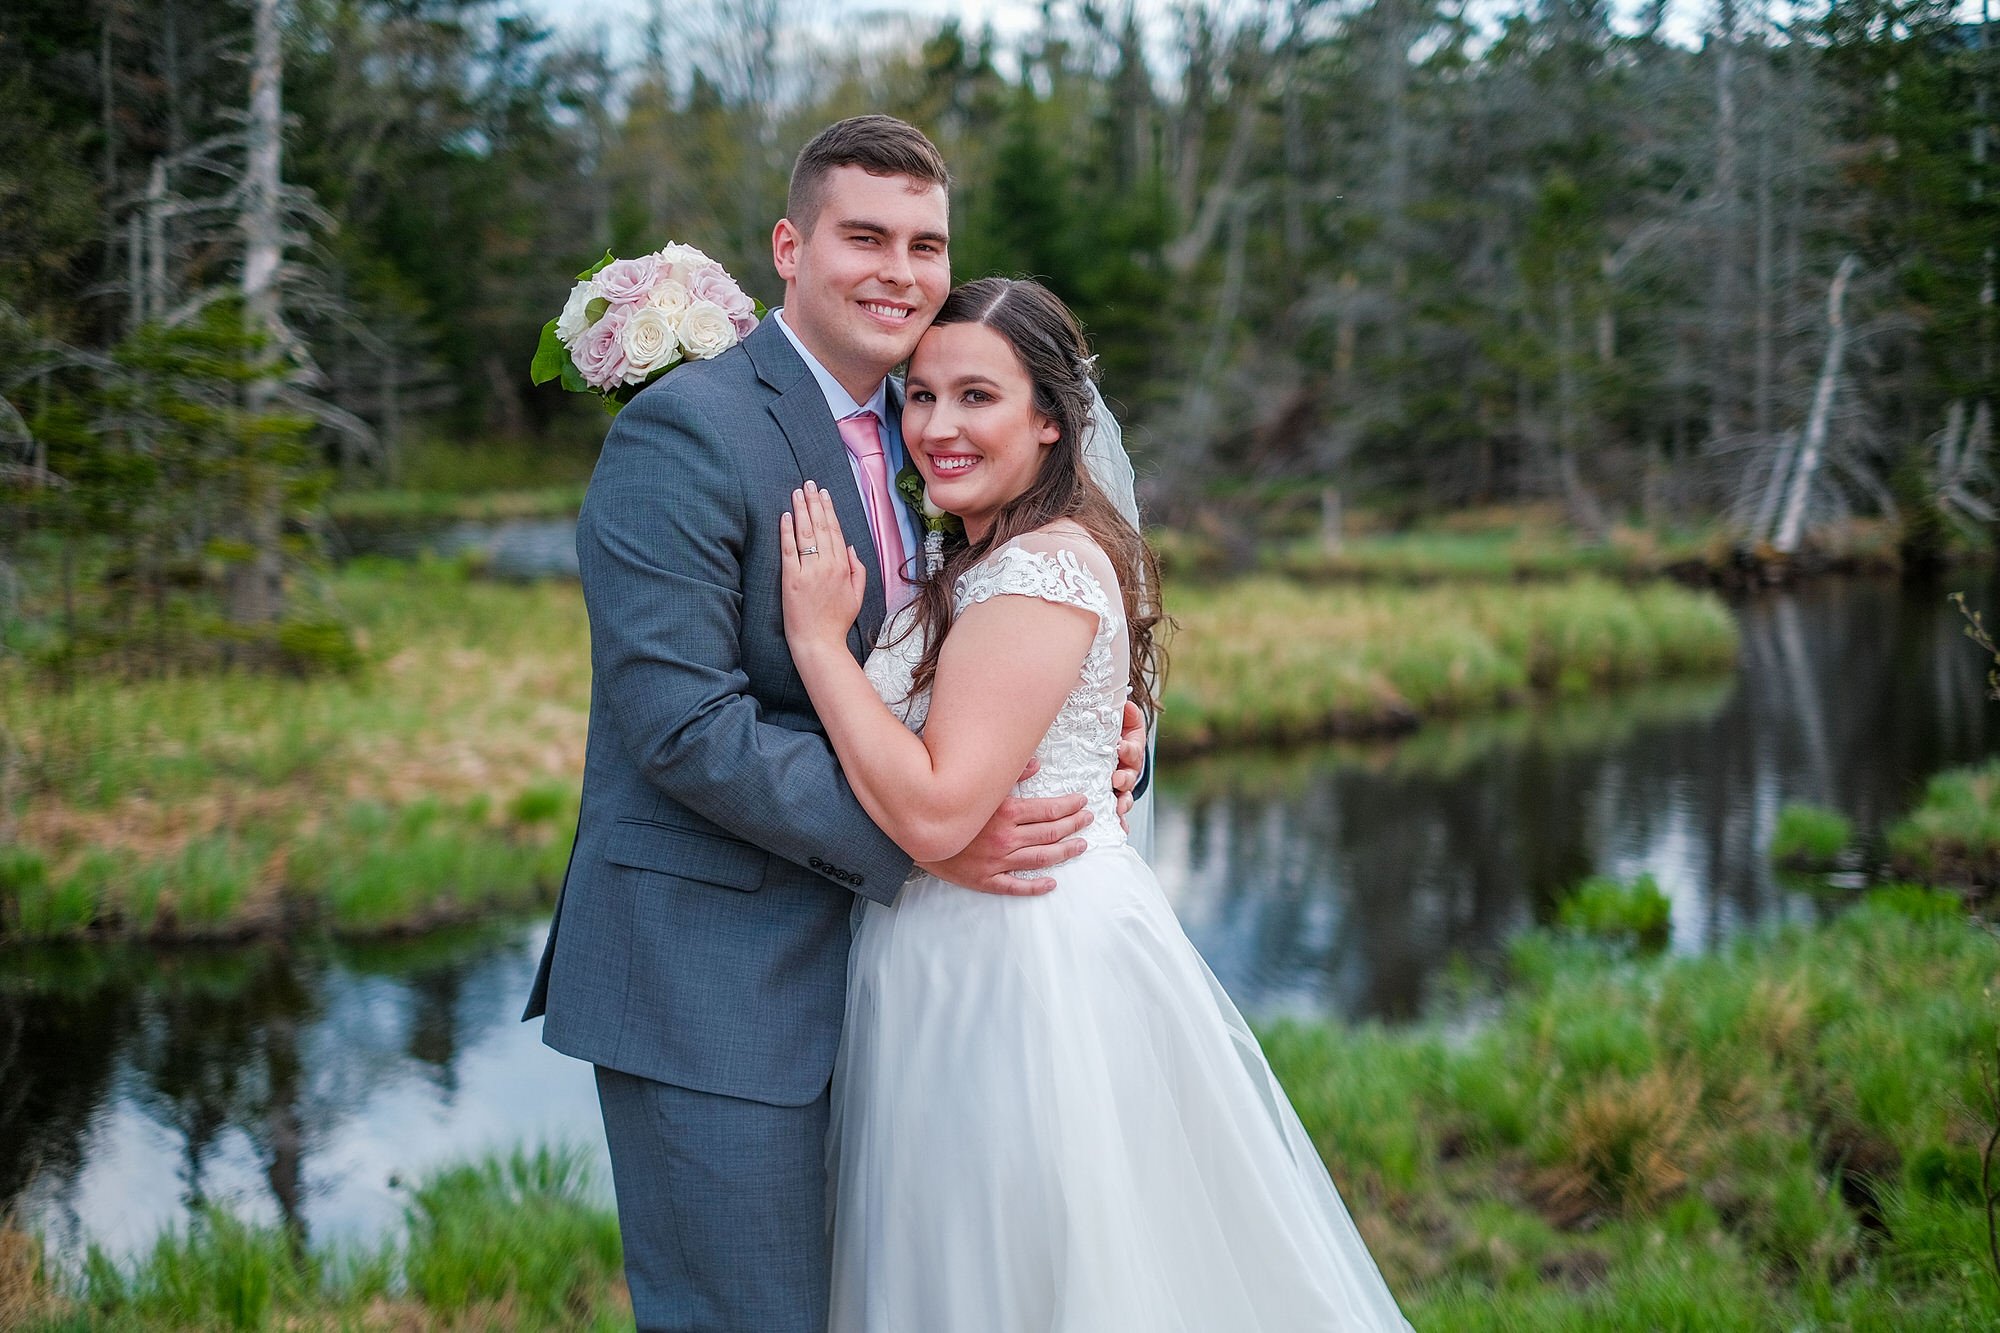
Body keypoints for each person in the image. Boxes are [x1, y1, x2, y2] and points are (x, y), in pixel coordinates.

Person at [522, 119, 1144, 1333]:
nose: (899, 272)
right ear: (788, 248)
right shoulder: (688, 429)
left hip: (898, 983)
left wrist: (1077, 740)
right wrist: (926, 829)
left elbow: (983, 646)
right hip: (713, 981)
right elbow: (684, 724)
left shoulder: (929, 435)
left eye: (925, 243)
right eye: (864, 236)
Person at [780, 277, 1415, 1331]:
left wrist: (816, 644)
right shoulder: (981, 552)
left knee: (1031, 1267)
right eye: (920, 394)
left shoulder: (1036, 569)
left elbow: (938, 813)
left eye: (975, 397)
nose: (936, 426)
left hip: (1020, 970)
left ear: (1046, 420)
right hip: (960, 953)